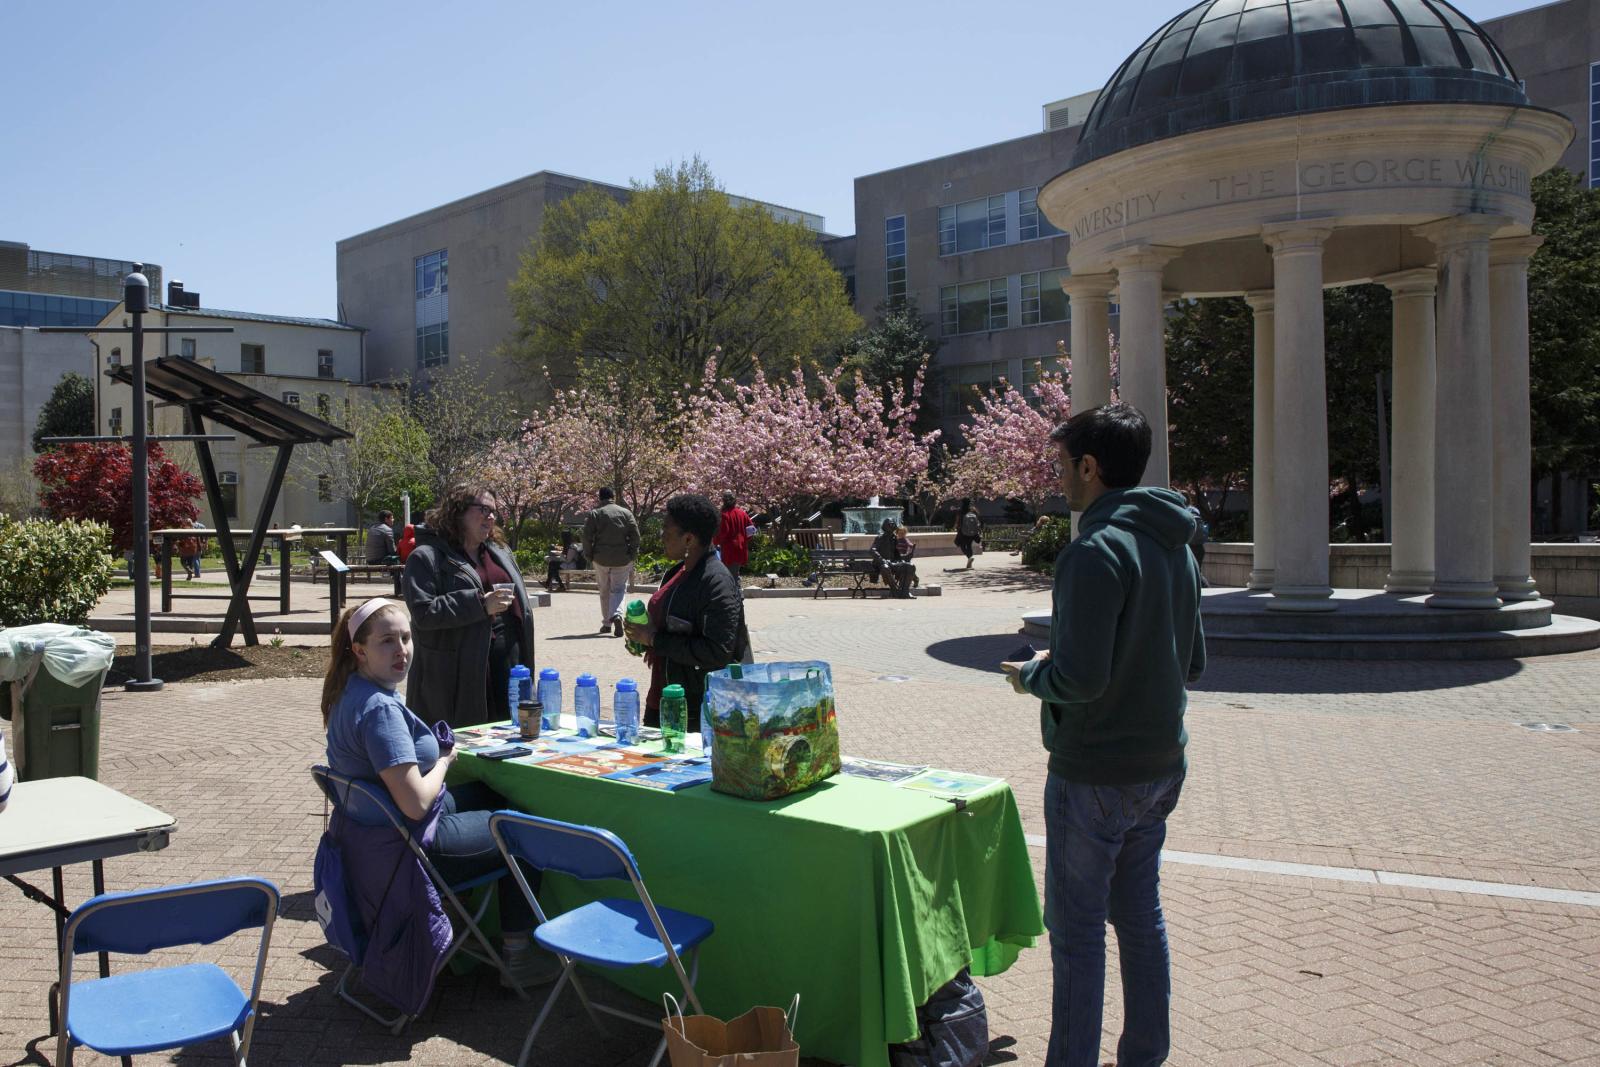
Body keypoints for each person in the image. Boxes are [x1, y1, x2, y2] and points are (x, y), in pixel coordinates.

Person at [999, 403, 1205, 1067]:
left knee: (1079, 933)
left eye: (1062, 464)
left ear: (1090, 467)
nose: (1058, 477)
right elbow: (1193, 661)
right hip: (1160, 764)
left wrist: (1032, 674)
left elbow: (1080, 678)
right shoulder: (1174, 545)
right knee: (1140, 916)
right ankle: (1145, 1053)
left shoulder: (1094, 551)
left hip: (1095, 772)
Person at [321, 596, 555, 987]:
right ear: (359, 651)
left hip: (372, 839)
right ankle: (518, 955)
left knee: (493, 795)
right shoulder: (379, 709)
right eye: (387, 642)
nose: (402, 650)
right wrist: (445, 760)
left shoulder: (352, 691)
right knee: (523, 827)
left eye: (406, 638)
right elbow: (414, 805)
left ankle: (455, 922)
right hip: (407, 844)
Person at [402, 483, 535, 728]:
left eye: (494, 511)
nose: (491, 516)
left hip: (508, 666)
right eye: (484, 509)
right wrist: (479, 604)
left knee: (507, 734)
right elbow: (424, 613)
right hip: (460, 674)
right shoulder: (427, 557)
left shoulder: (499, 552)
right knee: (469, 743)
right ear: (458, 511)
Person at [622, 493, 750, 733]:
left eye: (666, 529)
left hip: (693, 712)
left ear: (689, 538)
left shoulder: (717, 583)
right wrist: (641, 637)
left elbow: (717, 652)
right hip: (662, 697)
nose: (661, 535)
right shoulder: (677, 572)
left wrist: (653, 639)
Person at [581, 487, 640, 637]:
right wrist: (632, 554)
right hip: (622, 558)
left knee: (604, 590)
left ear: (600, 498)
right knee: (618, 589)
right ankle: (617, 615)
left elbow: (586, 536)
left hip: (600, 558)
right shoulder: (626, 513)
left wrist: (589, 555)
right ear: (613, 497)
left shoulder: (595, 513)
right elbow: (635, 536)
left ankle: (607, 623)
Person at [714, 492, 754, 583]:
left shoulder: (724, 515)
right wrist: (744, 539)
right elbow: (751, 530)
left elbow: (723, 532)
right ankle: (738, 594)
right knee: (735, 572)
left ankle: (737, 594)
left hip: (729, 550)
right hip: (741, 548)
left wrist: (714, 542)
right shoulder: (742, 513)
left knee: (731, 576)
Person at [871, 518, 916, 598]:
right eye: (889, 524)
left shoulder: (895, 538)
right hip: (881, 564)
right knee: (885, 567)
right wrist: (882, 560)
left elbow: (897, 553)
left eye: (893, 524)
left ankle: (905, 592)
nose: (891, 526)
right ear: (885, 526)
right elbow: (872, 550)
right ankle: (894, 591)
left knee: (910, 566)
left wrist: (906, 557)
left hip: (893, 562)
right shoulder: (880, 538)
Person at [955, 498, 983, 570]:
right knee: (969, 545)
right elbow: (978, 521)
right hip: (972, 532)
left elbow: (958, 521)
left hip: (963, 531)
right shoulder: (973, 510)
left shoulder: (961, 511)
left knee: (961, 544)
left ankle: (969, 557)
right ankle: (969, 561)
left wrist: (956, 526)